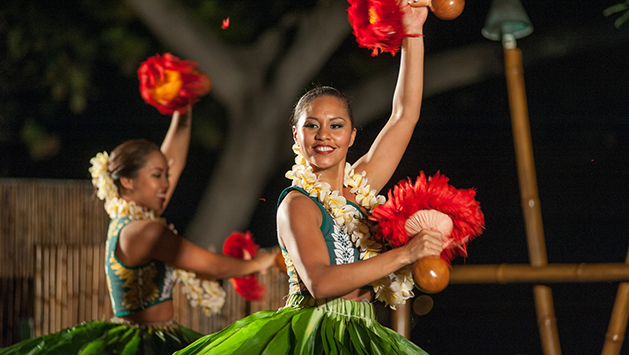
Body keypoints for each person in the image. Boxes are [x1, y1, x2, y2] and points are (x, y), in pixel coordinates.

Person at [174, 3, 443, 355]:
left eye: (336, 125)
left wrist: (412, 31)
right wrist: (406, 254)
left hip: (364, 331)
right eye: (311, 125)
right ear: (296, 136)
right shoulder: (297, 204)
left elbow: (405, 115)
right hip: (315, 335)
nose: (324, 135)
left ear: (351, 136)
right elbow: (320, 281)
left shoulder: (361, 187)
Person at [0, 109, 277, 355]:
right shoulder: (146, 232)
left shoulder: (129, 218)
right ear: (128, 181)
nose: (166, 183)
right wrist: (261, 261)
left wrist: (183, 111)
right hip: (145, 344)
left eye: (166, 176)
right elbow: (213, 265)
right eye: (158, 176)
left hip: (157, 334)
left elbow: (173, 163)